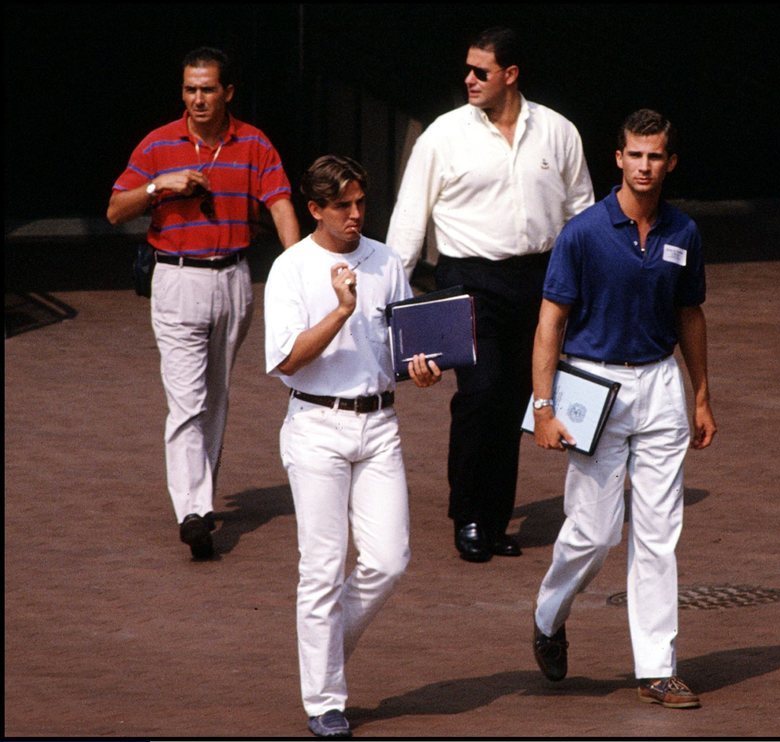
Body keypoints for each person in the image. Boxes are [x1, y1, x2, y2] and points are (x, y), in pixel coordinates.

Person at [530, 109, 717, 709]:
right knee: (593, 532)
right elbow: (550, 324)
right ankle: (548, 616)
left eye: (656, 156)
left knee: (660, 535)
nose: (645, 166)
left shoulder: (683, 232)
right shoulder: (583, 233)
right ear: (618, 159)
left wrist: (702, 393)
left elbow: (690, 314)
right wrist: (544, 407)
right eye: (635, 154)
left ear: (671, 162)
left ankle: (657, 667)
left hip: (660, 384)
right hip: (592, 387)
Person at [386, 26, 594, 563]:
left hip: (538, 280)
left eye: (481, 71)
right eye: (468, 69)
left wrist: (591, 285)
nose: (469, 79)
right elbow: (410, 219)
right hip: (468, 280)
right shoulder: (443, 134)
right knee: (480, 394)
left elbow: (582, 214)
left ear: (511, 74)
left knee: (511, 401)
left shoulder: (557, 132)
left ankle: (496, 517)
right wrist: (389, 299)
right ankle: (470, 516)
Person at [264, 155, 441, 739]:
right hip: (315, 427)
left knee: (389, 558)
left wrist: (420, 368)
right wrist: (341, 309)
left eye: (361, 202)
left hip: (379, 423)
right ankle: (324, 700)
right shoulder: (291, 269)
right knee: (320, 567)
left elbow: (401, 343)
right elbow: (287, 359)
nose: (356, 215)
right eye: (343, 206)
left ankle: (322, 648)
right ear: (314, 209)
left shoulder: (386, 259)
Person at [107, 47, 300, 560]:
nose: (197, 99)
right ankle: (193, 511)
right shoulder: (158, 143)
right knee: (187, 400)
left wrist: (301, 266)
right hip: (177, 278)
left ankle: (201, 496)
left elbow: (279, 202)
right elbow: (113, 209)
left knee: (215, 396)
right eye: (190, 89)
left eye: (207, 89)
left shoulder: (254, 144)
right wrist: (158, 186)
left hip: (233, 277)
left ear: (228, 93)